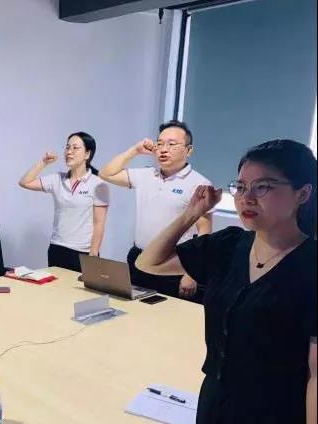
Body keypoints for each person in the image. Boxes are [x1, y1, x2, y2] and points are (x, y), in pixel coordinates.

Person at [135, 139, 316, 423]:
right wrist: (192, 214)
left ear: (302, 194)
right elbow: (148, 263)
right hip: (215, 402)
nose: (247, 198)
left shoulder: (310, 265)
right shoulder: (228, 246)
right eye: (241, 187)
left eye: (263, 187)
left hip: (275, 412)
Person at [99, 120, 212, 299]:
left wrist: (192, 273)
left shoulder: (200, 184)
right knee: (132, 309)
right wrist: (134, 150)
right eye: (159, 144)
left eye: (172, 144)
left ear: (188, 150)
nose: (163, 149)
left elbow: (205, 231)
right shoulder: (146, 175)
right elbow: (106, 173)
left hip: (173, 262)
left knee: (165, 313)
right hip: (139, 257)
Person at [18, 132, 109, 271]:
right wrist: (44, 163)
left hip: (83, 252)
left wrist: (93, 255)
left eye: (75, 148)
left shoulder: (99, 184)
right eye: (67, 147)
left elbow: (99, 224)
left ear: (87, 154)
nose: (69, 152)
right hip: (57, 249)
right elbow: (24, 182)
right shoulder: (57, 179)